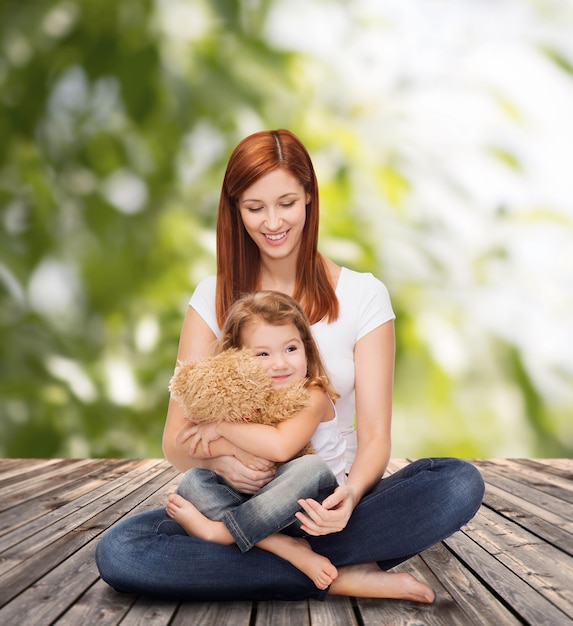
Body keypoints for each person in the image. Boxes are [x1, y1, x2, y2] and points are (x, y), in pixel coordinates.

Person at [96, 129, 484, 603]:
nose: (273, 222)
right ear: (235, 211)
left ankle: (277, 555)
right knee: (122, 551)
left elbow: (376, 435)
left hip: (328, 504)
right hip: (239, 500)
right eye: (254, 208)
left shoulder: (364, 296)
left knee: (456, 482)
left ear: (308, 200)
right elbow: (176, 442)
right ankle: (336, 574)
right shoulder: (212, 298)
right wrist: (221, 462)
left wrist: (351, 498)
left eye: (286, 203)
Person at [166, 290, 346, 590]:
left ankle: (222, 534)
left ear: (306, 349)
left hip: (311, 511)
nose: (280, 364)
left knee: (310, 467)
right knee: (192, 482)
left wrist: (222, 428)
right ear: (237, 360)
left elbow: (280, 447)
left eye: (290, 349)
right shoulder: (241, 399)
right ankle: (279, 546)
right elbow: (187, 441)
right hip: (262, 511)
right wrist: (227, 448)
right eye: (262, 354)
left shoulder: (313, 394)